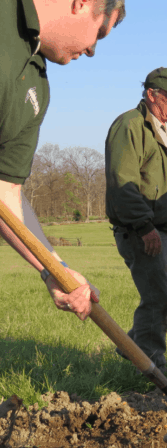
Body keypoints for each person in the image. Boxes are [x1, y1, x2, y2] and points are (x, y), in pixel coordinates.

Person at [0, 0, 126, 320]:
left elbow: (6, 191)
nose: (93, 50)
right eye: (99, 33)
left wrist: (55, 270)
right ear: (81, 3)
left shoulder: (37, 86)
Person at [105, 67, 167, 373]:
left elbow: (163, 186)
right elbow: (123, 181)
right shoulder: (131, 125)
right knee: (157, 297)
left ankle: (134, 345)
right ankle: (150, 368)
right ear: (151, 94)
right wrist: (145, 227)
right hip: (142, 229)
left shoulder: (164, 131)